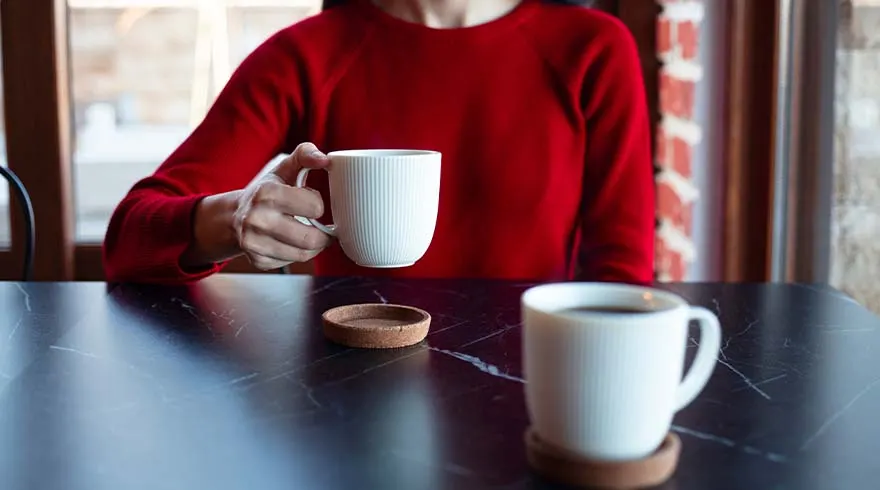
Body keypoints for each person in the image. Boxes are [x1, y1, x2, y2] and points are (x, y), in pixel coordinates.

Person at [102, 0, 655, 285]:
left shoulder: (594, 52)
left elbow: (623, 276)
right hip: (349, 389)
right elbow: (128, 240)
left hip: (534, 392)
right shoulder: (306, 56)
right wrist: (232, 219)